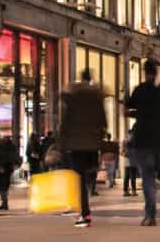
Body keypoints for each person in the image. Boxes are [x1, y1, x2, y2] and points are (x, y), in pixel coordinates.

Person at [123, 61, 160, 226]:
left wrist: (135, 113)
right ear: (156, 73)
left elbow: (129, 108)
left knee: (147, 178)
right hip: (159, 139)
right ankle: (151, 211)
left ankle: (150, 214)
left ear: (145, 73)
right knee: (152, 175)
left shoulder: (140, 90)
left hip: (143, 138)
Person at [57, 69, 111, 228]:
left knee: (79, 179)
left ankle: (85, 212)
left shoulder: (73, 96)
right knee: (88, 175)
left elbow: (66, 121)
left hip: (76, 145)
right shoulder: (96, 96)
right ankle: (89, 186)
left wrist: (60, 144)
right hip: (92, 144)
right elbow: (103, 121)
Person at [0, 131, 24, 211]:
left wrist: (0, 166)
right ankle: (4, 203)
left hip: (3, 167)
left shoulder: (1, 146)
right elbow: (15, 157)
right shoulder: (12, 146)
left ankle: (4, 204)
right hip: (9, 167)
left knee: (3, 186)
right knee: (5, 185)